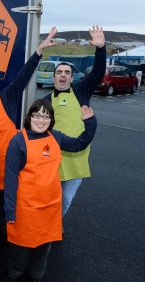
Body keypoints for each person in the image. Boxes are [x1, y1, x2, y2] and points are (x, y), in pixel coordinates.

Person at [3, 99, 97, 282]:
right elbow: (10, 179)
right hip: (25, 206)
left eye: (46, 116)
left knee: (43, 246)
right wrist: (9, 210)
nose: (41, 120)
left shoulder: (56, 137)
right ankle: (15, 272)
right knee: (20, 245)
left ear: (51, 120)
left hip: (50, 205)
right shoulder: (18, 141)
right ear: (30, 117)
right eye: (37, 115)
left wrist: (91, 123)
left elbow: (79, 144)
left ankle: (37, 276)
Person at [0, 27, 57, 229]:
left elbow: (23, 76)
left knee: (11, 204)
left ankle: (10, 232)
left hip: (13, 164)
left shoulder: (7, 97)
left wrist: (38, 52)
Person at [43, 26, 106, 219]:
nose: (62, 75)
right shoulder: (45, 100)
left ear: (71, 77)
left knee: (66, 199)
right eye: (59, 72)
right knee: (49, 197)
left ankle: (56, 222)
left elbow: (97, 73)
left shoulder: (81, 91)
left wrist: (101, 48)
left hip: (77, 155)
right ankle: (49, 225)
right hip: (52, 156)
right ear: (54, 77)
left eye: (66, 72)